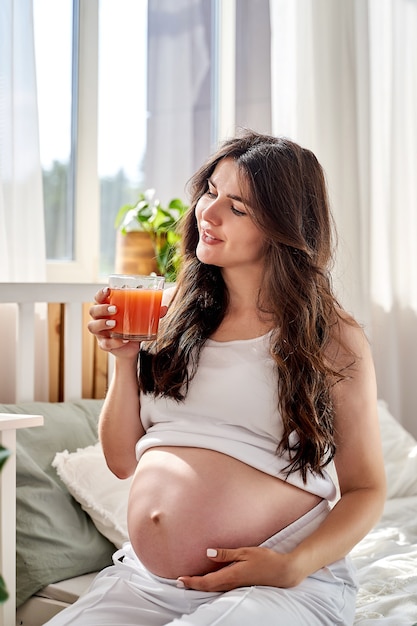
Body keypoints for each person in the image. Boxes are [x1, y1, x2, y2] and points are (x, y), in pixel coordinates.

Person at [45, 130, 386, 626]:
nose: (209, 212)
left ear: (284, 227)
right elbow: (122, 461)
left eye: (239, 207)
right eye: (211, 191)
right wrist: (123, 360)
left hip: (276, 585)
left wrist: (293, 566)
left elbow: (366, 489)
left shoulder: (329, 337)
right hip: (148, 583)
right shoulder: (169, 318)